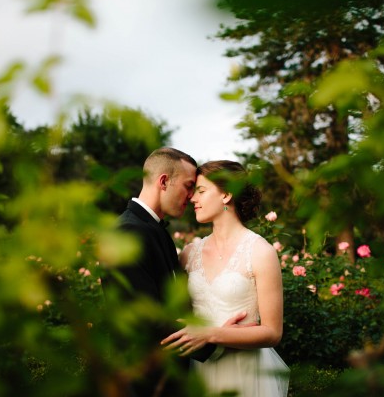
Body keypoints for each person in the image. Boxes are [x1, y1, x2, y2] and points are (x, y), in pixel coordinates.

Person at [104, 148, 244, 397]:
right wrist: (218, 341)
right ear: (164, 181)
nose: (191, 197)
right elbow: (146, 317)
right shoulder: (127, 233)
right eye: (189, 186)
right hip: (144, 383)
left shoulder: (153, 230)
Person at [161, 160, 290, 396]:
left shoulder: (261, 252)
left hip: (244, 374)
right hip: (197, 372)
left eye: (201, 191)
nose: (192, 199)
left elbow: (272, 333)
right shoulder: (190, 253)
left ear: (226, 195)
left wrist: (211, 334)